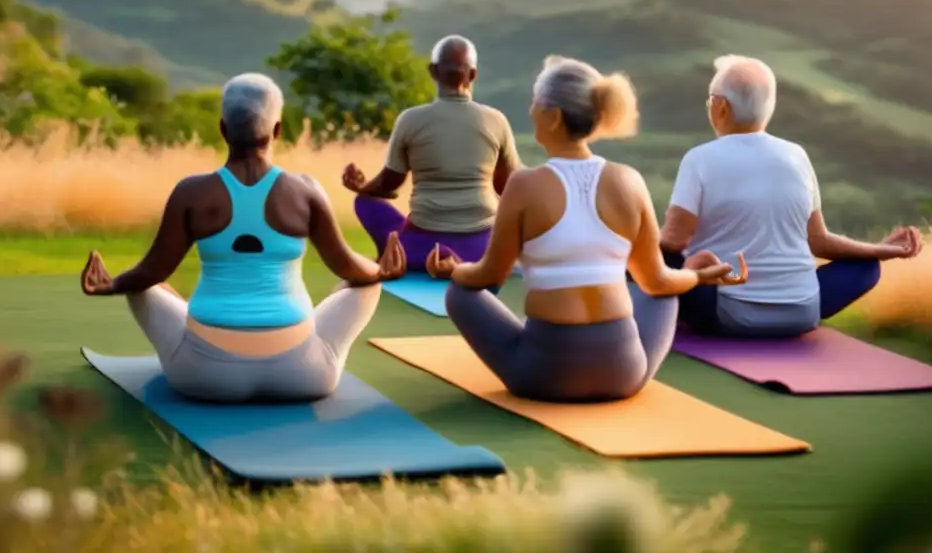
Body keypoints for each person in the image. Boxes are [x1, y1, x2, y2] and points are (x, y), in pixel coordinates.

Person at [423, 55, 748, 403]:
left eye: (536, 103)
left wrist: (454, 270)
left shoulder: (524, 185)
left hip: (543, 377)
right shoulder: (629, 181)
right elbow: (658, 281)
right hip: (623, 375)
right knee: (663, 291)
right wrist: (696, 276)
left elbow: (488, 277)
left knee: (459, 293)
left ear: (554, 116)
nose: (531, 111)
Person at [79, 73, 406, 403]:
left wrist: (114, 284)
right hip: (302, 375)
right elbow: (348, 267)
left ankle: (196, 340)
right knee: (367, 283)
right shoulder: (305, 191)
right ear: (277, 130)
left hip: (205, 377)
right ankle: (312, 351)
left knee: (145, 285)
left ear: (223, 129)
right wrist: (381, 271)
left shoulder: (191, 192)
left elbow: (152, 272)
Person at [659, 54, 922, 339]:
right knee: (866, 267)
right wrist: (879, 251)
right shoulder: (797, 155)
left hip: (724, 315)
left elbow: (674, 241)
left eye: (710, 100)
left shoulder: (698, 159)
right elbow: (818, 241)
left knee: (653, 256)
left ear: (722, 107)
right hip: (802, 314)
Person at [343, 34, 521, 271]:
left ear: (433, 71)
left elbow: (389, 183)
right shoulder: (496, 120)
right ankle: (458, 260)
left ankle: (400, 254)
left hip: (421, 241)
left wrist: (362, 188)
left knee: (365, 202)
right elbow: (507, 187)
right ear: (473, 74)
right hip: (482, 245)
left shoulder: (410, 120)